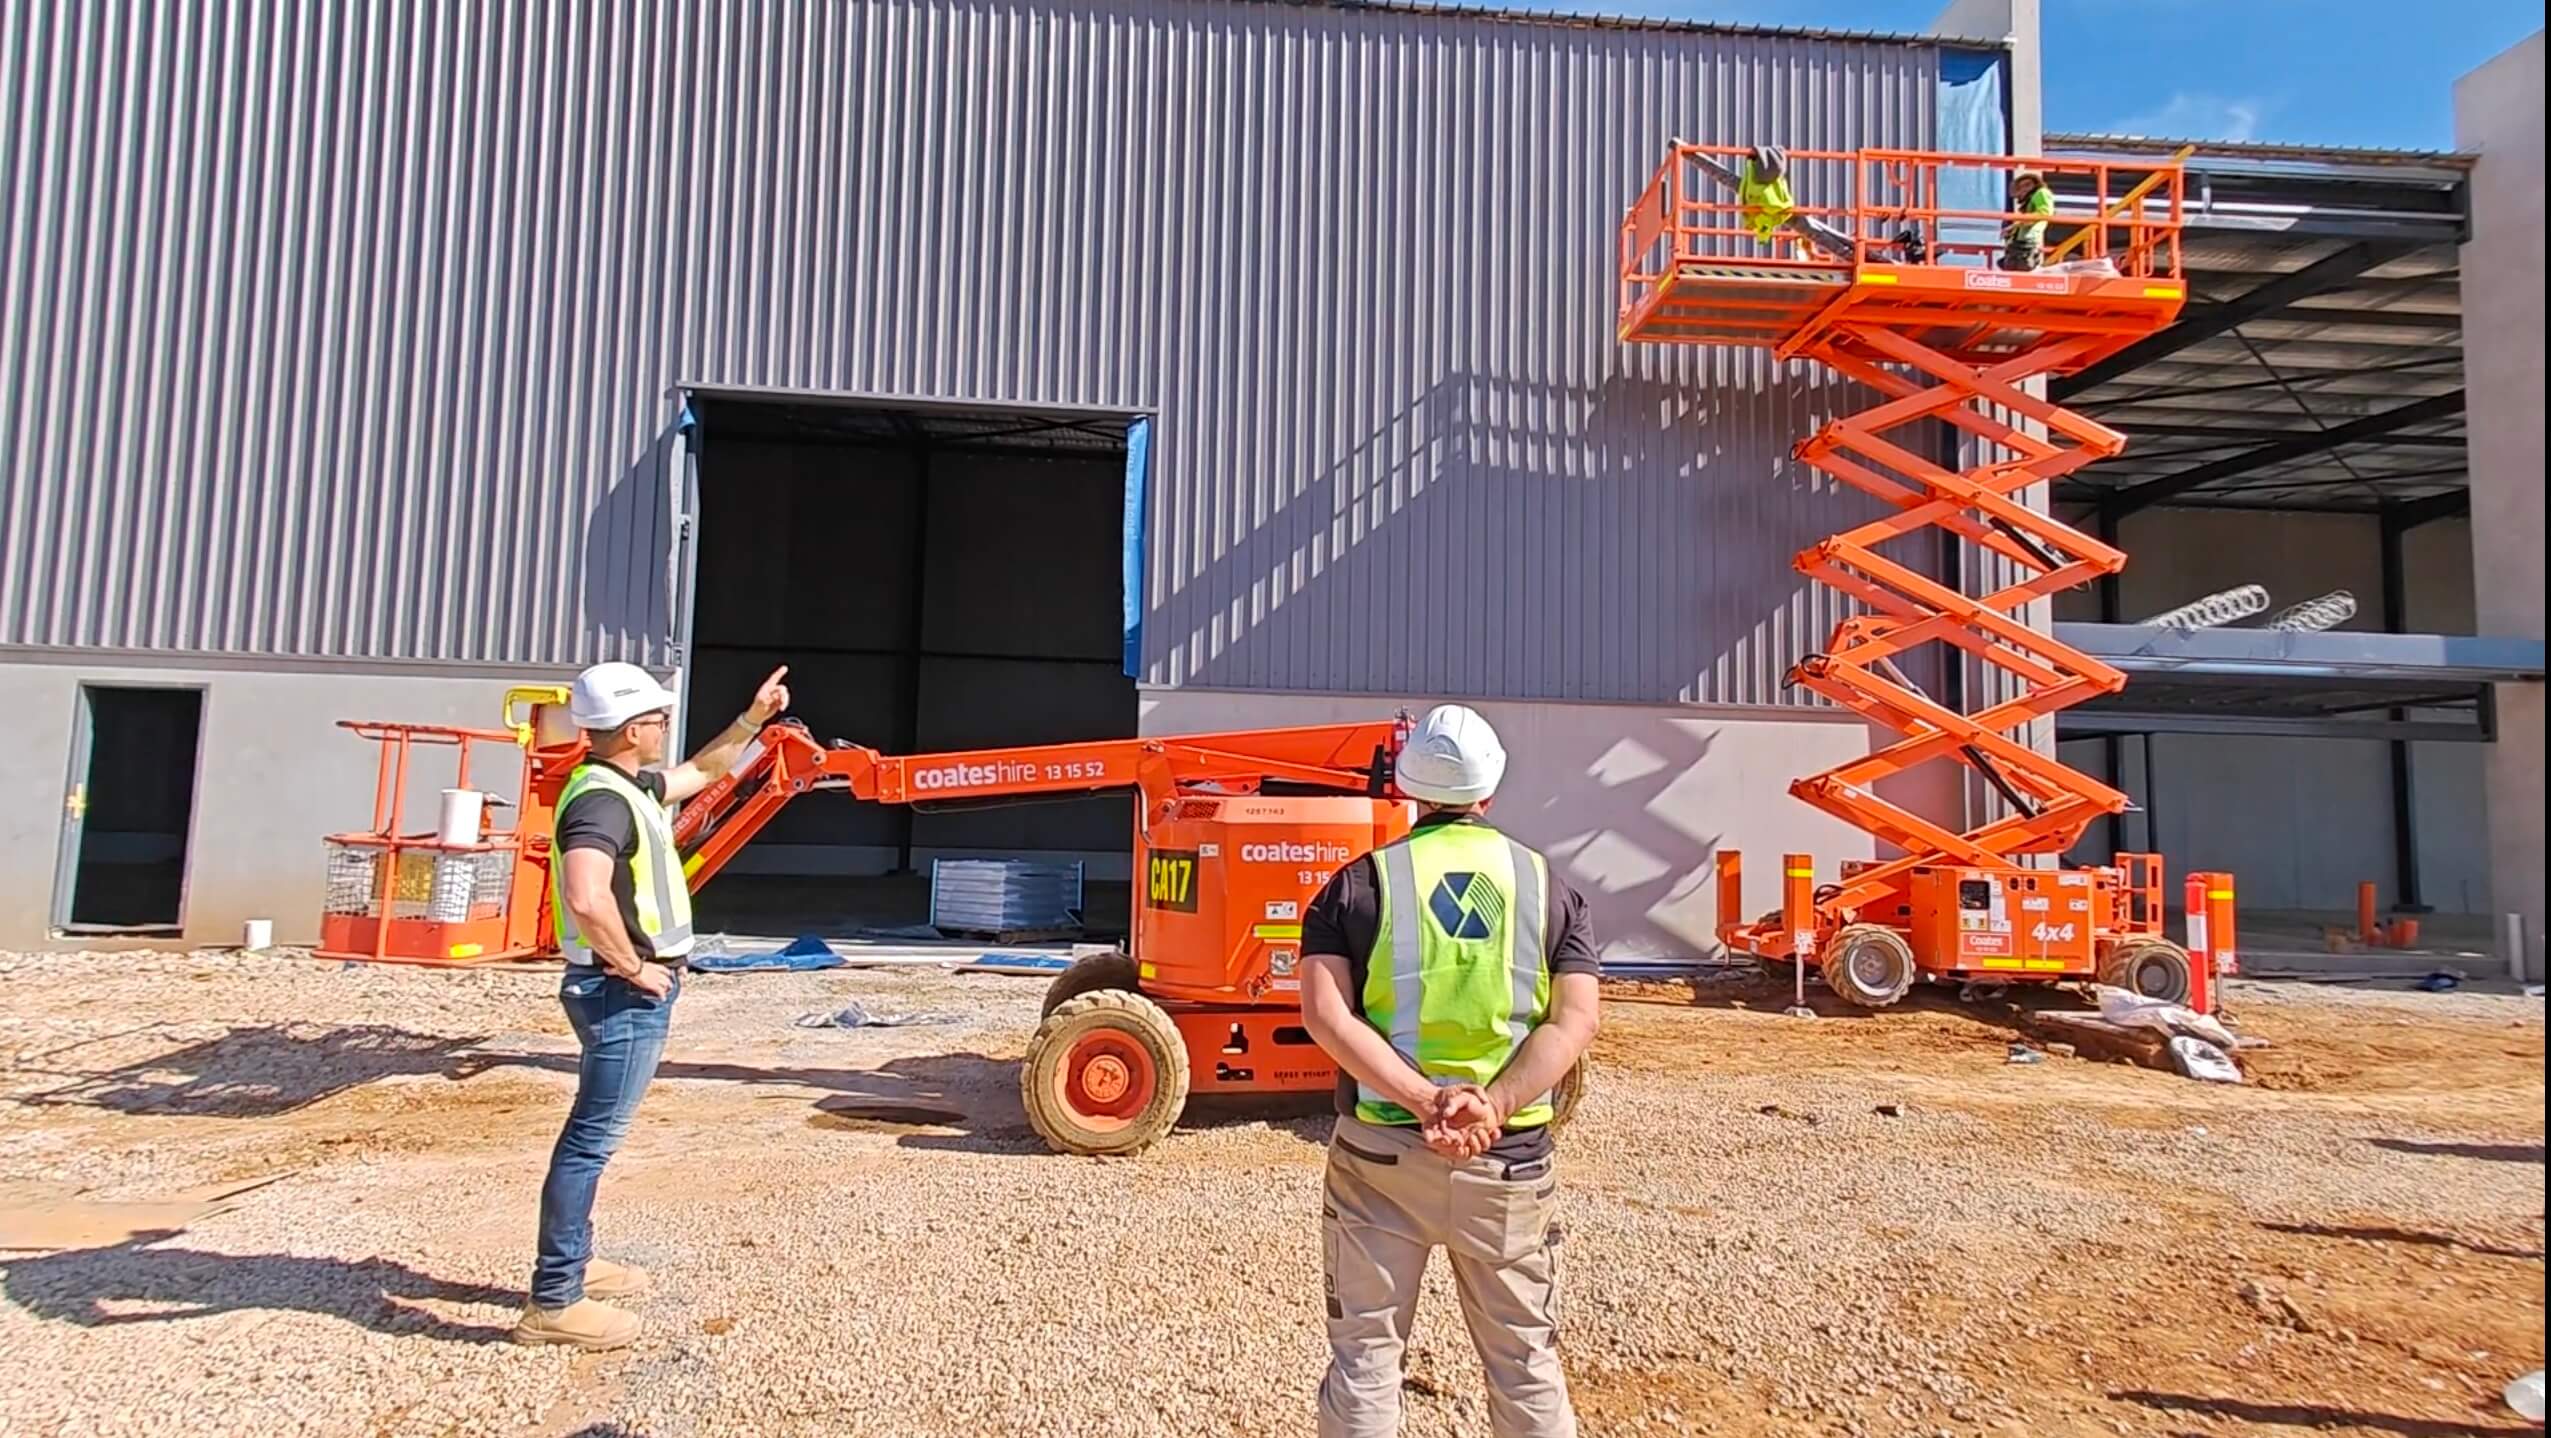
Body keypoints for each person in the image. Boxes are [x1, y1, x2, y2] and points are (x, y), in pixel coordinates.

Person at [1297, 704, 1603, 1438]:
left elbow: (1326, 1017)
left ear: (1408, 790)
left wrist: (1425, 1098)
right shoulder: (1547, 886)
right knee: (1524, 1364)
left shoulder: (1354, 885)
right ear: (1489, 790)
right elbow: (1574, 1020)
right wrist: (1488, 1105)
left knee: (1365, 1364)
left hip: (1380, 1157)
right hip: (1508, 1164)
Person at [511, 660, 791, 1349]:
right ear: (635, 728)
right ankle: (554, 1300)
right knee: (590, 1142)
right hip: (619, 991)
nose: (667, 727)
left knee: (592, 1139)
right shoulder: (602, 802)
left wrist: (754, 721)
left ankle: (575, 1265)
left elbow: (705, 770)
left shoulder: (623, 782)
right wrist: (634, 966)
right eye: (660, 718)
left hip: (620, 987)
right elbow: (584, 893)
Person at [2002, 167, 2055, 271]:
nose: (2022, 191)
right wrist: (2013, 228)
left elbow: (2044, 213)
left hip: (2028, 241)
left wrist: (2019, 223)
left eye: (2024, 186)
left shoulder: (2041, 193)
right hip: (2022, 241)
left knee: (2022, 266)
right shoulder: (2031, 199)